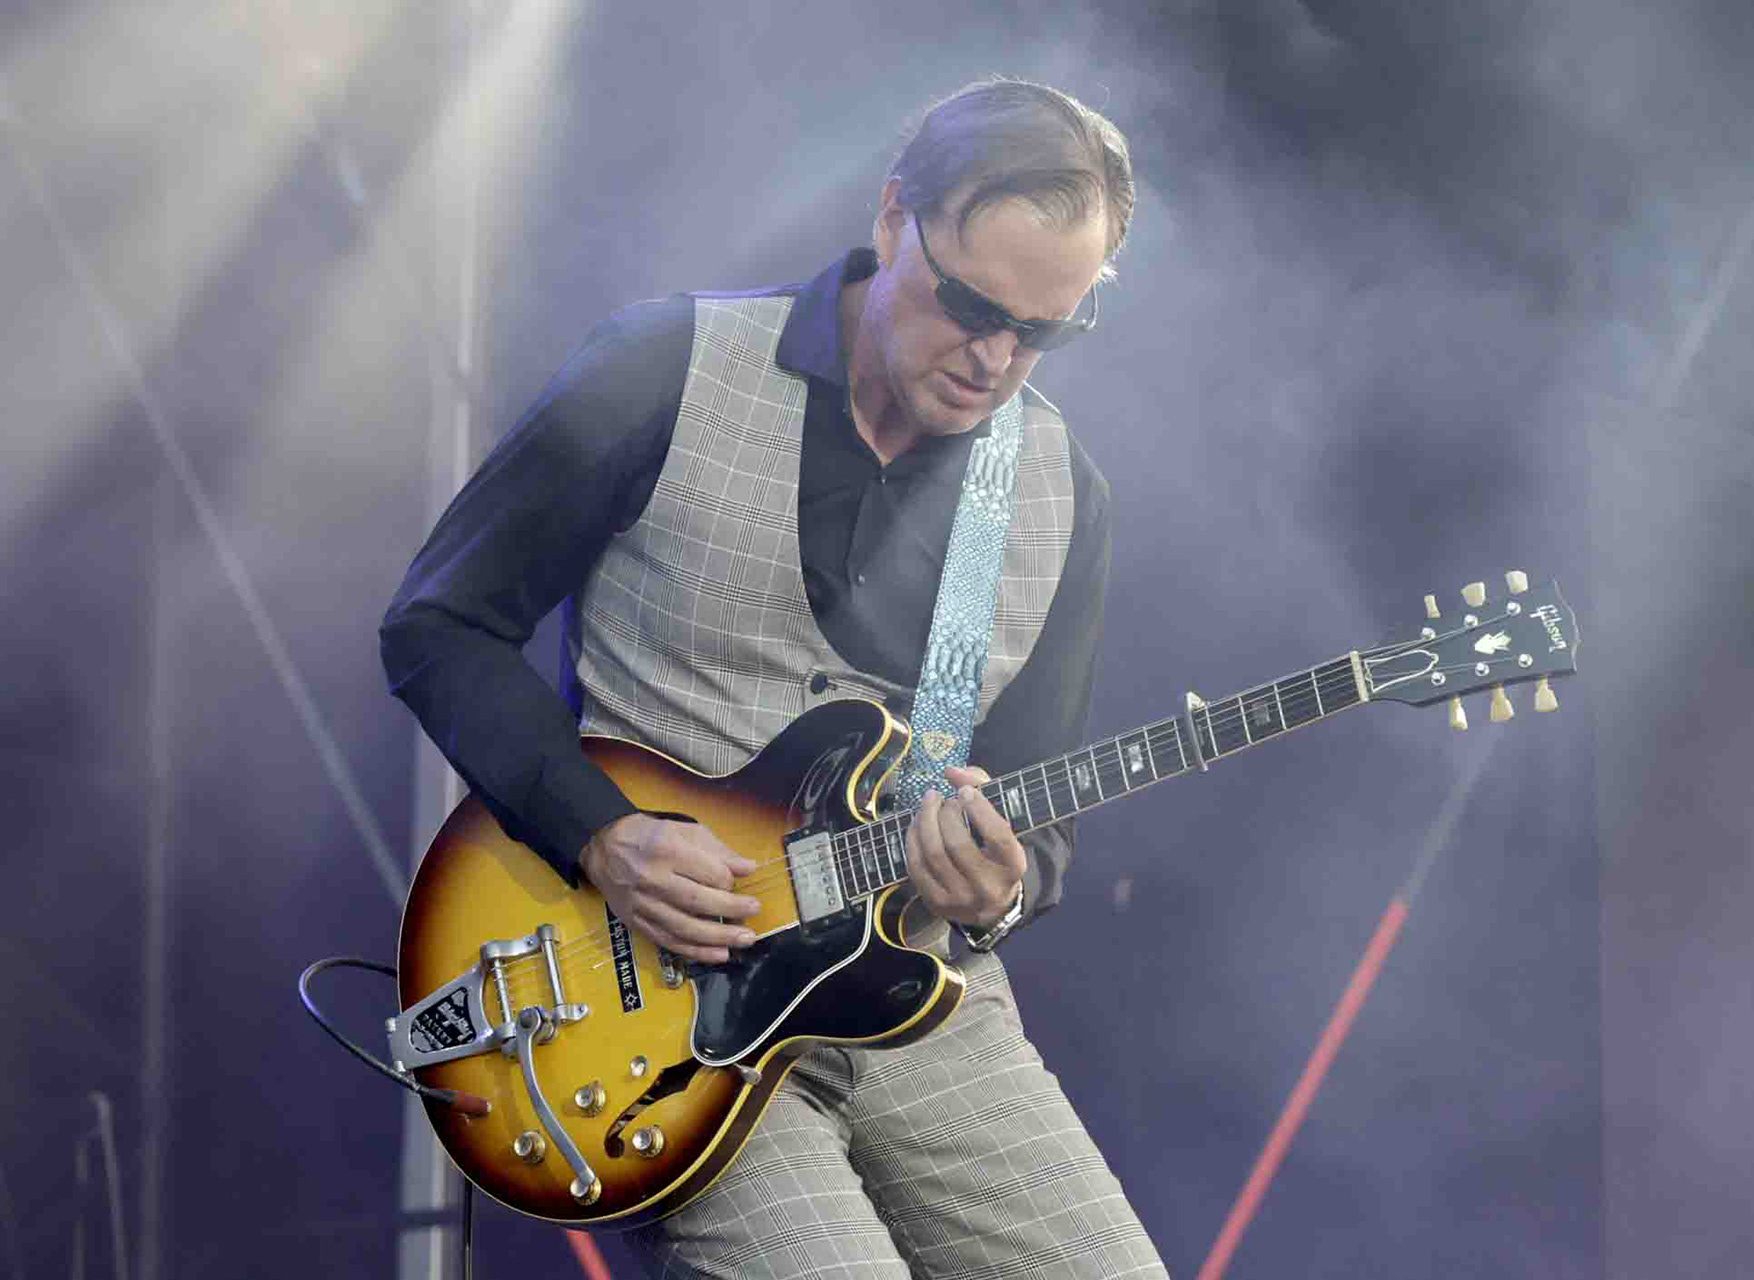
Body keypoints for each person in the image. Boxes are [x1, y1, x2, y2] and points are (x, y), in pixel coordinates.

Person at [381, 77, 1167, 1279]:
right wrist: (601, 831)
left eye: (1042, 332)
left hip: (915, 998)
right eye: (970, 305)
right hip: (661, 997)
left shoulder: (1064, 492)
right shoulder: (661, 365)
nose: (995, 358)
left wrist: (998, 886)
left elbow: (1036, 818)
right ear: (895, 216)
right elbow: (440, 624)